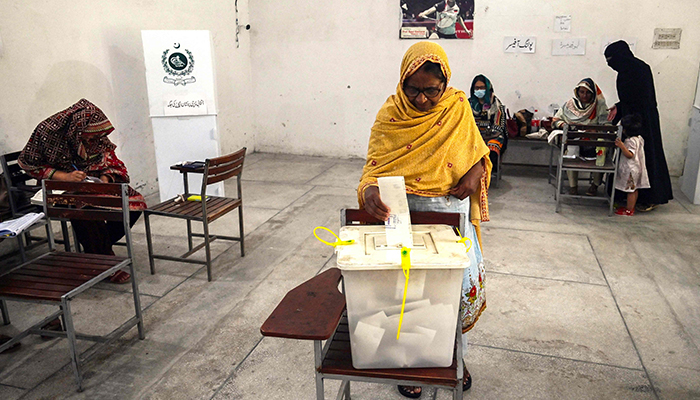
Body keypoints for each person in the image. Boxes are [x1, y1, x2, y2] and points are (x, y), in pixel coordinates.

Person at [358, 41, 491, 398]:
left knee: (448, 293)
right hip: (404, 216)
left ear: (445, 84)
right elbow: (373, 168)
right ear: (402, 82)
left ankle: (452, 356)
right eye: (413, 89)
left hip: (451, 217)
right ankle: (409, 361)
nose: (421, 100)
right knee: (408, 294)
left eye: (431, 91)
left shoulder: (457, 107)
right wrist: (370, 191)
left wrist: (475, 174)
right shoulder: (391, 115)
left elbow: (477, 152)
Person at [18, 99, 146, 284]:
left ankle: (96, 251)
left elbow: (110, 160)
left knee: (133, 203)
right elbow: (28, 163)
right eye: (88, 137)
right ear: (76, 129)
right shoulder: (47, 131)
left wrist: (105, 179)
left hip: (90, 184)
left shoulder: (94, 134)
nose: (92, 141)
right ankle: (105, 260)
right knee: (83, 209)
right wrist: (65, 177)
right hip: (58, 188)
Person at [605, 40, 673, 210]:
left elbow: (642, 98)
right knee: (628, 161)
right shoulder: (625, 71)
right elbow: (630, 98)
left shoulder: (640, 69)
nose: (610, 64)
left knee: (646, 157)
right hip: (631, 121)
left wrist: (628, 116)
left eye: (611, 59)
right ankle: (625, 194)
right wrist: (619, 107)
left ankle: (651, 197)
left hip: (644, 122)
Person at [551, 78, 610, 196]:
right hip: (575, 139)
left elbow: (607, 125)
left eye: (588, 92)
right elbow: (556, 120)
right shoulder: (570, 104)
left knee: (602, 148)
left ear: (593, 93)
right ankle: (573, 186)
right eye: (582, 92)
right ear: (577, 92)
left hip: (593, 140)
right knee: (571, 149)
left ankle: (595, 185)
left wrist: (595, 130)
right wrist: (565, 125)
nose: (584, 95)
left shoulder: (599, 106)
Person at [469, 75, 507, 173]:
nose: (479, 90)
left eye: (482, 88)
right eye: (477, 88)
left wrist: (485, 136)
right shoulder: (468, 104)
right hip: (473, 135)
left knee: (492, 146)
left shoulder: (496, 104)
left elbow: (499, 126)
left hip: (493, 135)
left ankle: (487, 171)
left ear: (488, 88)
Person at [614, 114, 649, 216]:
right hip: (636, 168)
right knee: (634, 189)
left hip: (631, 169)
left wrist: (622, 146)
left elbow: (630, 155)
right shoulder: (639, 138)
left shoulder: (630, 141)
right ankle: (630, 207)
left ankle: (629, 210)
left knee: (630, 191)